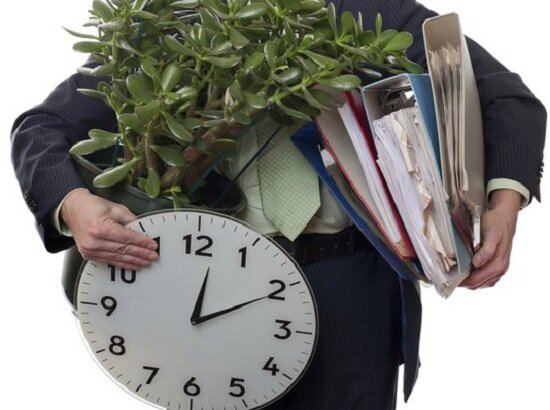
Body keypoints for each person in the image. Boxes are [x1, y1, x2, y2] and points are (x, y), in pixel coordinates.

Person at [10, 0, 546, 409]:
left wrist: (503, 204)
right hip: (206, 288)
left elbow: (506, 97)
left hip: (352, 286)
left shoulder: (368, 14)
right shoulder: (170, 26)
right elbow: (42, 128)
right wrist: (73, 203)